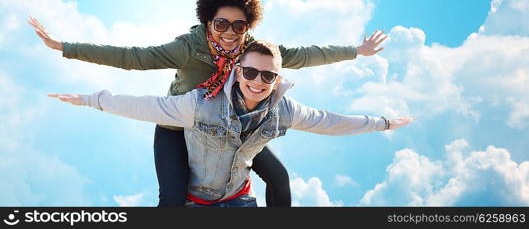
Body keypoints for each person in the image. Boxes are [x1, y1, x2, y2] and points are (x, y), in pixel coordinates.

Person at [29, 0, 388, 207]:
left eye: (239, 25)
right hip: (181, 125)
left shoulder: (254, 51)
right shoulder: (188, 47)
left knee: (279, 178)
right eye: (221, 24)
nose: (230, 33)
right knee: (172, 199)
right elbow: (132, 58)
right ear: (207, 22)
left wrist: (356, 51)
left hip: (230, 127)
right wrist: (65, 46)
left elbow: (304, 55)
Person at [49, 40, 414, 207]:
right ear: (237, 72)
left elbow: (329, 121)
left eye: (267, 76)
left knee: (279, 177)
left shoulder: (283, 108)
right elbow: (145, 104)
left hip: (238, 200)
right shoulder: (199, 104)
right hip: (194, 199)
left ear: (276, 78)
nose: (258, 81)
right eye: (250, 72)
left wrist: (381, 122)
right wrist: (90, 99)